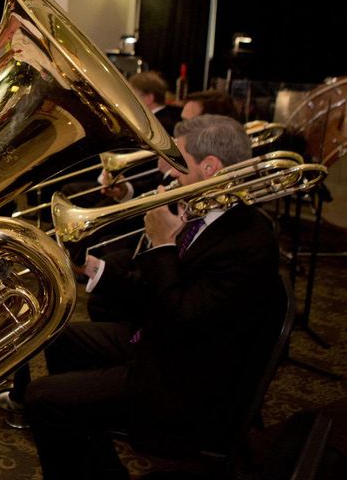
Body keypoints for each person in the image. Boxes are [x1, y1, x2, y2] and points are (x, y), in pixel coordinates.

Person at [21, 114, 283, 479]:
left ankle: (88, 437)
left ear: (210, 168)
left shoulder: (248, 241)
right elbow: (153, 295)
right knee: (62, 339)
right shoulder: (204, 212)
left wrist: (162, 245)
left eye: (179, 162)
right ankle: (88, 443)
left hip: (187, 382)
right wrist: (93, 267)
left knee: (42, 398)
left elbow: (182, 318)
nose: (168, 172)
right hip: (157, 342)